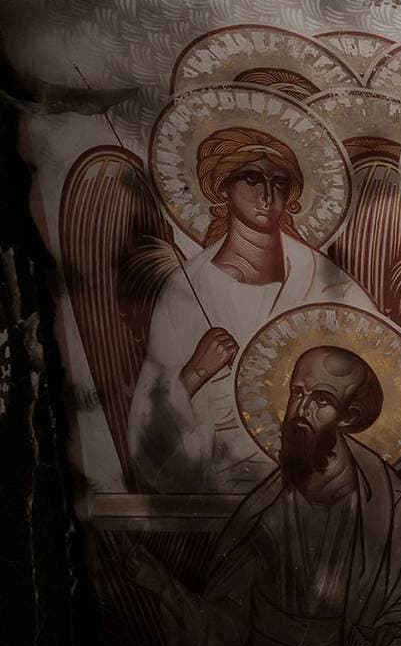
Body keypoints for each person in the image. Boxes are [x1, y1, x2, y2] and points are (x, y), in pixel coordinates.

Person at [127, 346, 401, 646]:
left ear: (349, 416)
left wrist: (393, 638)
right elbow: (226, 626)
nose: (301, 411)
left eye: (321, 399)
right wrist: (167, 592)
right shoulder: (266, 508)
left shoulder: (393, 509)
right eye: (297, 393)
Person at [130, 127, 374, 492]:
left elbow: (380, 361)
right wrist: (196, 371)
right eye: (251, 178)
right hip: (227, 481)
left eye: (279, 182)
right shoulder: (187, 289)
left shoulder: (325, 279)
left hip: (318, 473)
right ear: (221, 188)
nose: (267, 195)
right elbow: (148, 430)